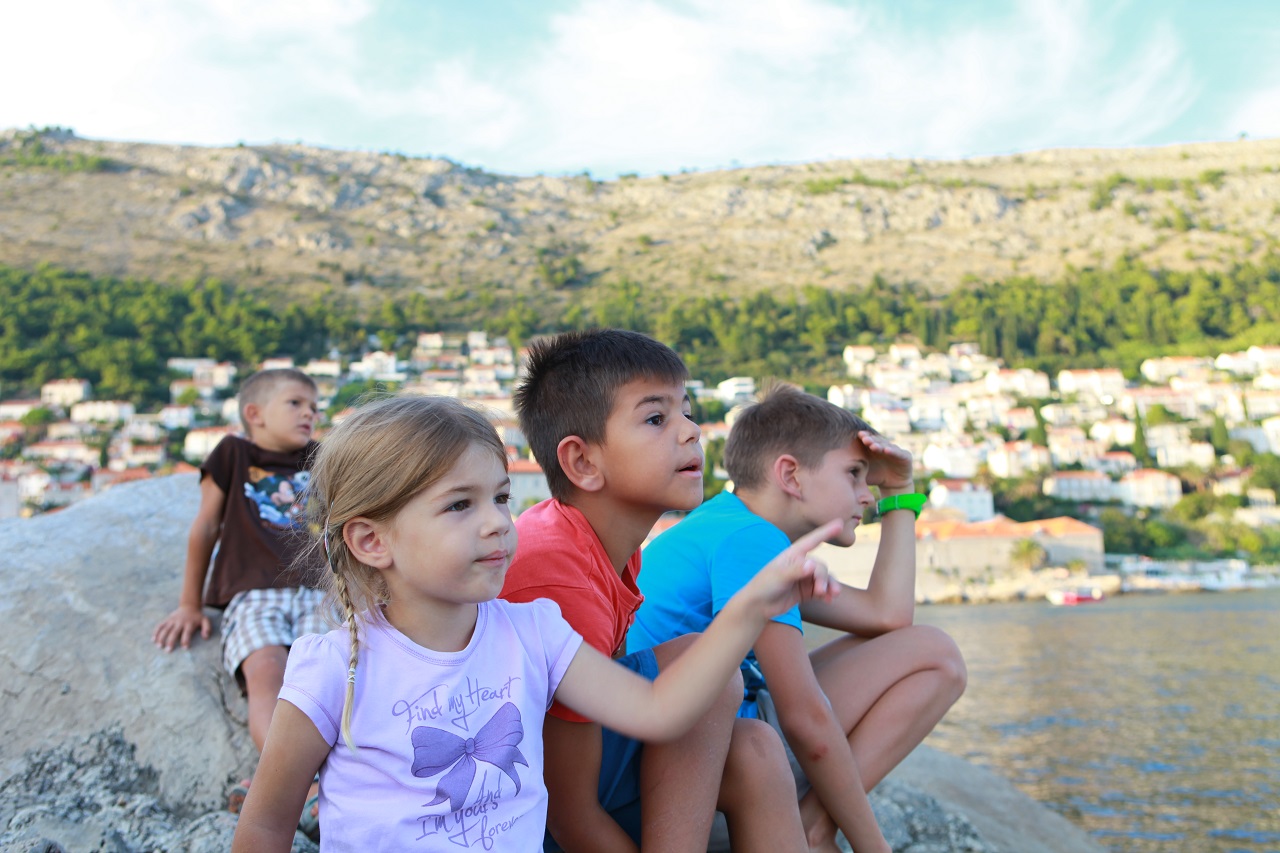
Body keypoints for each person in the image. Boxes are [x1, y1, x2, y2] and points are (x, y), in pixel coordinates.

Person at [229, 394, 841, 852]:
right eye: (460, 505)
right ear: (371, 541)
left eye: (500, 498)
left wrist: (748, 608)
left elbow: (658, 710)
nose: (497, 522)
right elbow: (266, 825)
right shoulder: (335, 668)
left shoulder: (533, 632)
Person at [499, 329, 807, 852]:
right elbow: (570, 816)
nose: (691, 431)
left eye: (686, 411)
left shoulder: (610, 547)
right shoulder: (560, 575)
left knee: (754, 748)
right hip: (524, 812)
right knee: (702, 666)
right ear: (582, 463)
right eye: (656, 418)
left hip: (572, 780)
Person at [630, 383, 968, 853]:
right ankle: (815, 830)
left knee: (925, 651)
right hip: (692, 782)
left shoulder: (728, 524)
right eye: (855, 475)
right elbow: (805, 717)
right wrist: (873, 845)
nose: (867, 496)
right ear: (790, 475)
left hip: (677, 764)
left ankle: (813, 824)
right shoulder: (750, 540)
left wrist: (899, 492)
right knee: (937, 655)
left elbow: (887, 616)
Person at [151, 367, 325, 832]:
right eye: (296, 403)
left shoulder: (322, 458)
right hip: (253, 593)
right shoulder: (233, 453)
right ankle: (296, 782)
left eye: (314, 406)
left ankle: (293, 782)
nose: (309, 413)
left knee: (323, 683)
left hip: (318, 591)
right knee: (266, 672)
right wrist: (190, 603)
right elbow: (206, 525)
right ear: (255, 413)